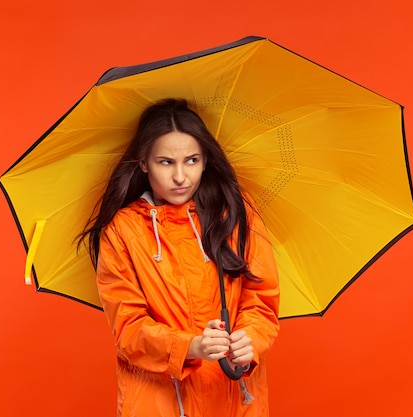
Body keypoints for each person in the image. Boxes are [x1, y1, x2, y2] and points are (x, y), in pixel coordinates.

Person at [80, 98, 280, 416]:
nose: (180, 177)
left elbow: (261, 297)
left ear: (205, 161)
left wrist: (250, 340)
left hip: (234, 399)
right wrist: (190, 347)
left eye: (191, 160)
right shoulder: (122, 230)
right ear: (143, 162)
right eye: (165, 162)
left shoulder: (236, 213)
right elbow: (129, 328)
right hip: (158, 403)